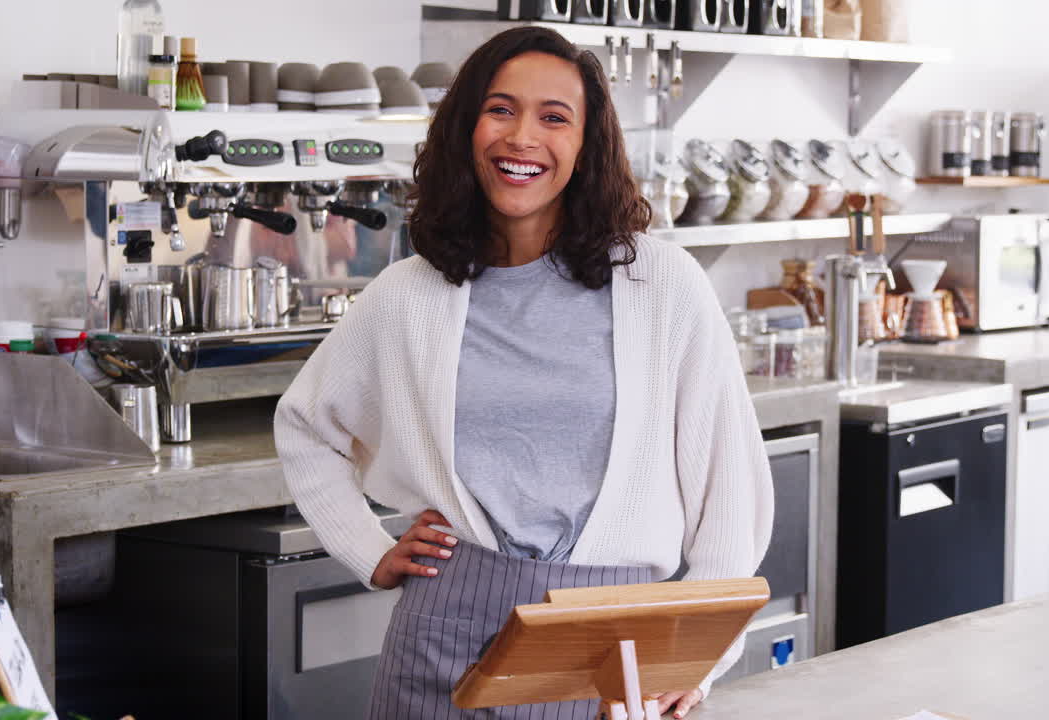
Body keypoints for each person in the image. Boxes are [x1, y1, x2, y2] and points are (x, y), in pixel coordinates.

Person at [274, 26, 773, 720]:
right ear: (466, 128)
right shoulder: (409, 293)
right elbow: (306, 427)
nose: (522, 138)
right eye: (500, 109)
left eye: (554, 117)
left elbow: (731, 496)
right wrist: (369, 549)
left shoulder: (662, 285)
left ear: (587, 144)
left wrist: (698, 661)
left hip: (616, 650)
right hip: (443, 639)